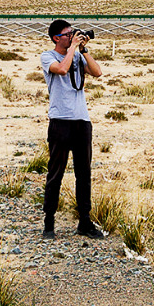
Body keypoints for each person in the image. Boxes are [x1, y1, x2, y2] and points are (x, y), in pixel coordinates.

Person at [39, 18, 106, 239]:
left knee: (84, 173)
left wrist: (83, 49)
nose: (72, 37)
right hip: (60, 120)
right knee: (55, 172)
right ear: (56, 38)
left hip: (81, 120)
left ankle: (84, 222)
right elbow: (62, 69)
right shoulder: (48, 56)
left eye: (72, 34)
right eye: (68, 34)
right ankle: (49, 222)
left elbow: (97, 72)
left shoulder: (78, 54)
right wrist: (73, 49)